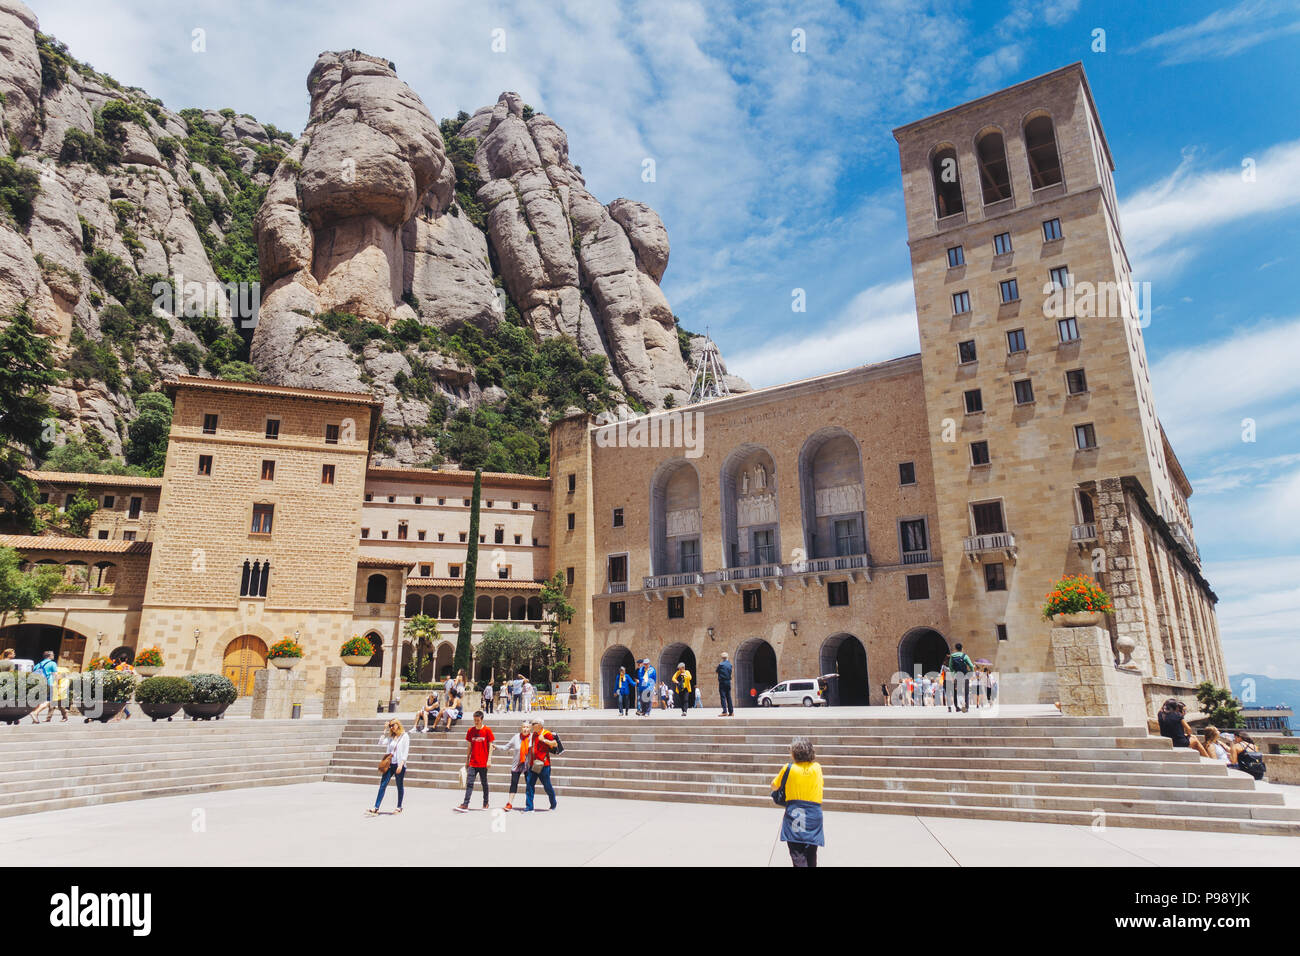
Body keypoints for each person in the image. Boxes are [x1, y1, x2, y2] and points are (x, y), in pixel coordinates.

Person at [770, 736, 825, 868]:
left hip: (795, 814)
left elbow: (774, 785)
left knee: (797, 852)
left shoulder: (789, 768)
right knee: (811, 852)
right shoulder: (817, 767)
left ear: (795, 753)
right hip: (814, 815)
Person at [457, 710, 495, 811]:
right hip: (473, 762)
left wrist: (489, 760)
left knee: (484, 783)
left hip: (483, 762)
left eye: (478, 720)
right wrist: (467, 760)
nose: (476, 722)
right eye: (474, 720)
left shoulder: (487, 730)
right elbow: (469, 746)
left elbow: (491, 746)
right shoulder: (470, 731)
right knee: (469, 783)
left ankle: (486, 803)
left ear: (481, 720)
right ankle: (465, 804)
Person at [370, 718, 409, 814]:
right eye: (390, 726)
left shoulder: (405, 736)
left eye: (393, 725)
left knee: (399, 785)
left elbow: (405, 751)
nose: (392, 727)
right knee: (383, 785)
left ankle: (399, 806)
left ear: (398, 725)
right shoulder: (391, 737)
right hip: (390, 765)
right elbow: (380, 743)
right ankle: (376, 807)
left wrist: (401, 764)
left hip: (399, 764)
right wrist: (385, 730)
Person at [492, 720, 533, 811]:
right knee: (513, 784)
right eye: (523, 727)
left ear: (530, 729)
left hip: (528, 766)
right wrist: (497, 746)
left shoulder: (533, 738)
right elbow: (507, 747)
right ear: (521, 728)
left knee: (529, 785)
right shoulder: (516, 737)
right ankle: (509, 803)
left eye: (527, 727)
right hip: (517, 765)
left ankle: (529, 805)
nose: (525, 729)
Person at [522, 718, 559, 812]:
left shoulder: (546, 733)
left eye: (533, 724)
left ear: (539, 725)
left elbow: (555, 744)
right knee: (529, 785)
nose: (532, 725)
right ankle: (529, 807)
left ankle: (553, 803)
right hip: (533, 764)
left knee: (547, 786)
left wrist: (544, 740)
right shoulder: (534, 734)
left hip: (544, 765)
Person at [29, 651, 62, 723]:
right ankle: (35, 712)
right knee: (48, 701)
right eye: (53, 655)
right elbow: (56, 675)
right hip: (48, 683)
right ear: (49, 656)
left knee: (40, 701)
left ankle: (35, 718)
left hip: (39, 684)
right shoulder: (52, 663)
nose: (54, 656)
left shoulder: (38, 664)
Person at [945, 643, 974, 713]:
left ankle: (957, 706)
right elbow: (971, 666)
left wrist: (953, 676)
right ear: (962, 648)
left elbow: (951, 668)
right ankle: (966, 708)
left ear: (955, 649)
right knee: (966, 692)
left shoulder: (952, 656)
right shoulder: (965, 656)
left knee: (957, 692)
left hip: (957, 676)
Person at [716, 652, 734, 717]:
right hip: (728, 682)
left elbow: (717, 671)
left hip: (722, 682)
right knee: (729, 697)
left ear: (722, 658)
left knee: (723, 697)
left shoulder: (721, 665)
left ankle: (724, 711)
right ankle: (731, 712)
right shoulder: (730, 665)